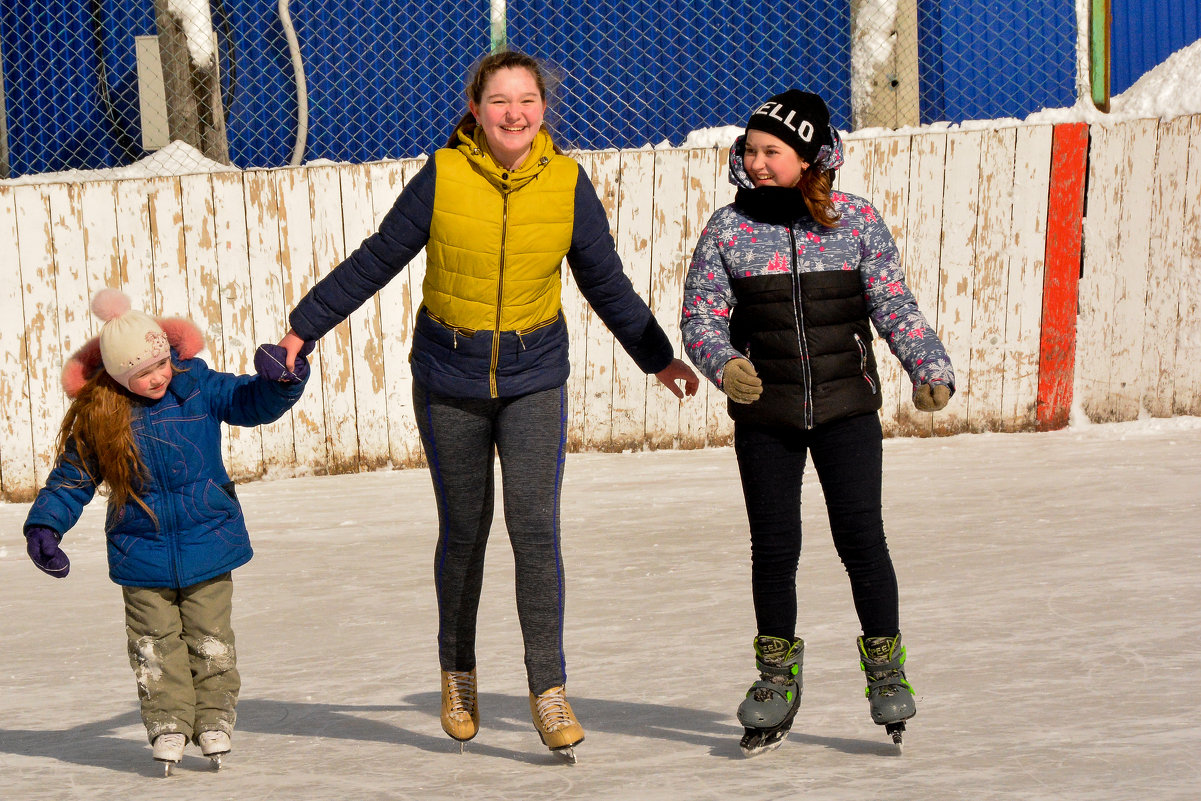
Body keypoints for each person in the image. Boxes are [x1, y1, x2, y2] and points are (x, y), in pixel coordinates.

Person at [276, 49, 699, 759]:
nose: (514, 113)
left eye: (527, 99)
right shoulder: (442, 176)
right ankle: (458, 671)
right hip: (449, 375)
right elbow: (377, 258)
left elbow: (606, 283)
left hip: (535, 375)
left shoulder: (566, 182)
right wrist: (301, 327)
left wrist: (657, 357)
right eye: (499, 100)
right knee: (464, 532)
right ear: (475, 108)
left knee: (534, 528)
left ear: (542, 107)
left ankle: (549, 688)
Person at [680, 90, 955, 755]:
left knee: (861, 537)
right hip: (765, 413)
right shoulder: (728, 230)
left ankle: (885, 667)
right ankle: (775, 678)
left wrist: (928, 367)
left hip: (845, 407)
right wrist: (724, 364)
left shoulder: (854, 222)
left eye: (771, 151)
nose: (757, 162)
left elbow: (893, 303)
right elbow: (700, 316)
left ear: (808, 158)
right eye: (750, 150)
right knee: (773, 548)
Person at [22, 288, 311, 775]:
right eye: (142, 373)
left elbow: (248, 401)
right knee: (154, 644)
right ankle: (169, 723)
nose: (157, 377)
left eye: (161, 364)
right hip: (141, 552)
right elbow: (72, 477)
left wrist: (281, 382)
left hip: (209, 541)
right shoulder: (101, 416)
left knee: (210, 639)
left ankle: (215, 719)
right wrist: (46, 524)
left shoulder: (195, 384)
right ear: (118, 376)